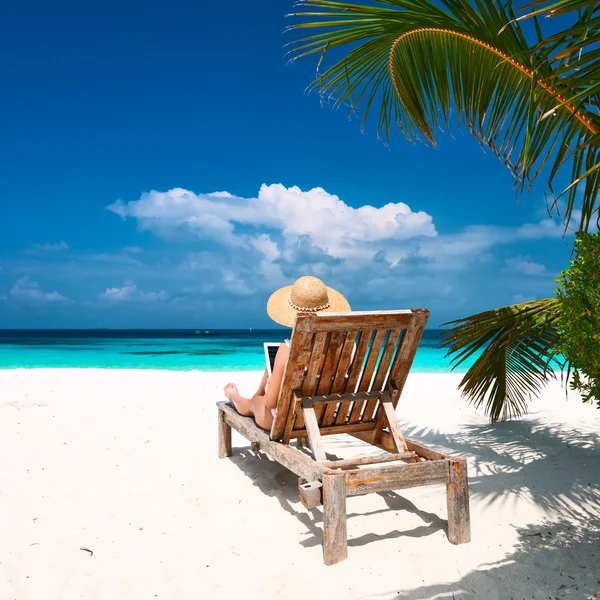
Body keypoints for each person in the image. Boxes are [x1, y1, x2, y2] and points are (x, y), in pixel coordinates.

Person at [224, 275, 350, 430]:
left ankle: (235, 397)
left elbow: (271, 403)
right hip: (328, 417)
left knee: (256, 403)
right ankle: (249, 394)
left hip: (288, 421)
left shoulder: (288, 347)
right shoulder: (348, 344)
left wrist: (266, 390)